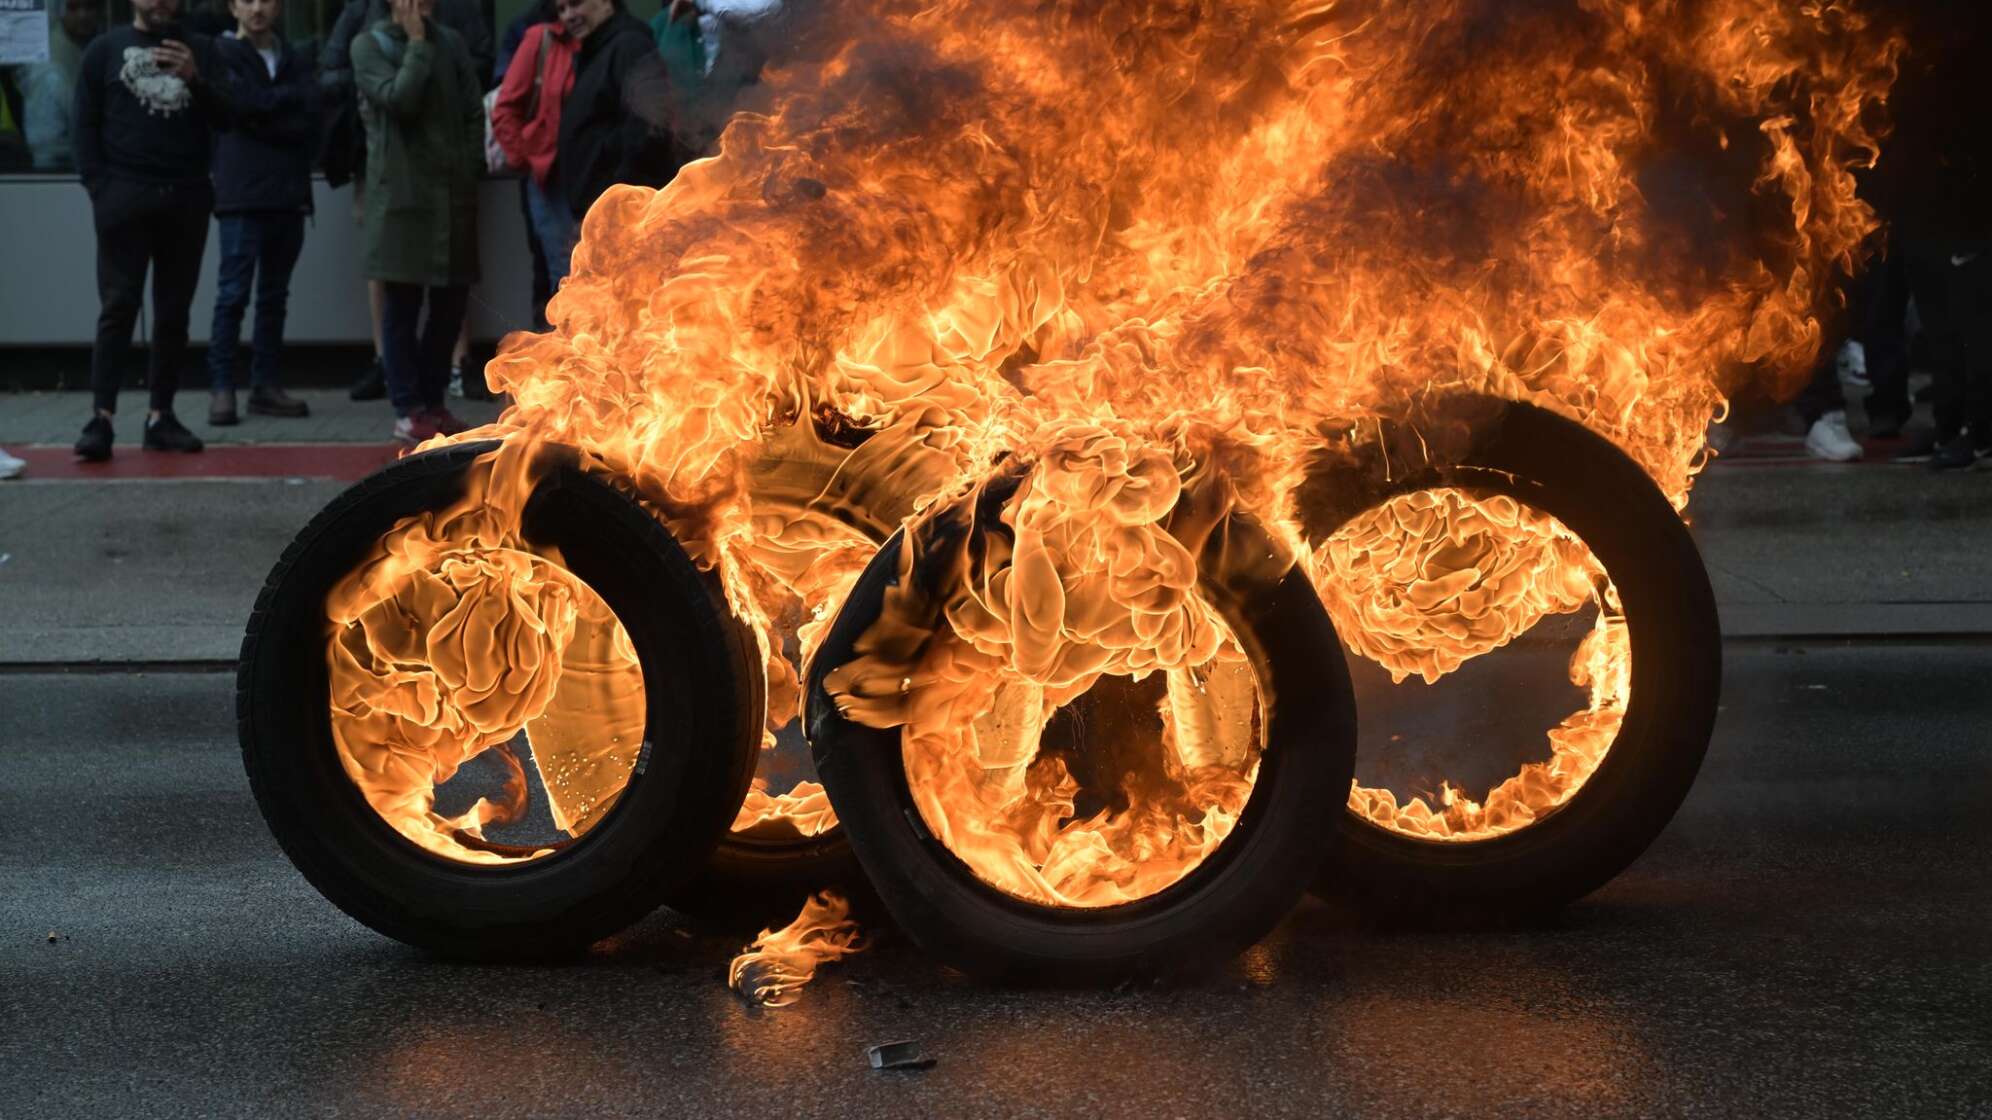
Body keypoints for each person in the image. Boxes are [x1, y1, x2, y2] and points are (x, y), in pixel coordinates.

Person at [70, 0, 233, 461]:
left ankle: (161, 415)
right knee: (118, 306)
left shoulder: (201, 48)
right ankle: (101, 418)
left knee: (172, 312)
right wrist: (100, 189)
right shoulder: (104, 50)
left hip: (186, 197)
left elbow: (229, 117)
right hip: (124, 197)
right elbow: (83, 123)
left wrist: (195, 78)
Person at [321, 0, 491, 402]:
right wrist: (417, 44)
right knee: (402, 303)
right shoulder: (367, 45)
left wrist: (468, 167)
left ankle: (433, 400)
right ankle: (407, 405)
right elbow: (400, 99)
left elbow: (472, 110)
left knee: (450, 303)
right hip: (400, 198)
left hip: (450, 196)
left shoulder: (452, 40)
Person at [205, 0, 318, 426]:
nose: (257, 8)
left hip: (288, 194)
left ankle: (264, 386)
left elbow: (309, 112)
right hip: (242, 195)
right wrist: (275, 107)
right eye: (247, 0)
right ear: (233, 7)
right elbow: (237, 107)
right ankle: (222, 388)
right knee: (232, 296)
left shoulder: (293, 55)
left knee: (274, 298)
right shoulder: (219, 54)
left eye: (266, 0)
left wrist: (261, 108)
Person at [554, 0, 682, 233]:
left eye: (575, 4)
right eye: (561, 9)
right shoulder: (596, 52)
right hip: (600, 212)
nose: (568, 16)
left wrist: (621, 194)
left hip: (625, 217)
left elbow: (649, 127)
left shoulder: (629, 46)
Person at [490, 0, 578, 301]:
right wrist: (527, 159)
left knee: (586, 273)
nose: (571, 14)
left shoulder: (606, 42)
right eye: (564, 7)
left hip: (590, 176)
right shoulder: (539, 37)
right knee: (560, 273)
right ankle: (559, 346)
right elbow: (504, 108)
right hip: (549, 178)